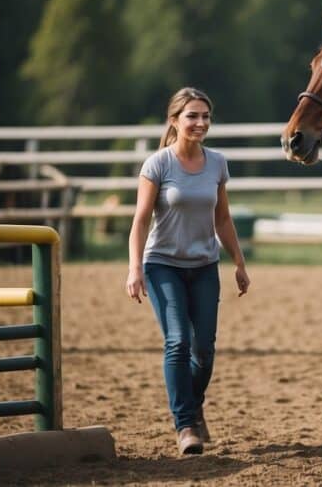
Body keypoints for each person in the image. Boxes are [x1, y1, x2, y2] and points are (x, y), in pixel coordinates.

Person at [126, 87, 251, 455]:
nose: (200, 123)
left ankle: (192, 405)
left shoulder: (217, 163)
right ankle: (185, 426)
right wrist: (134, 268)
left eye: (205, 116)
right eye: (192, 116)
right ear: (175, 121)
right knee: (178, 342)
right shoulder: (158, 165)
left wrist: (239, 263)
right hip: (162, 265)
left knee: (205, 350)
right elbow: (141, 219)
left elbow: (223, 218)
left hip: (204, 265)